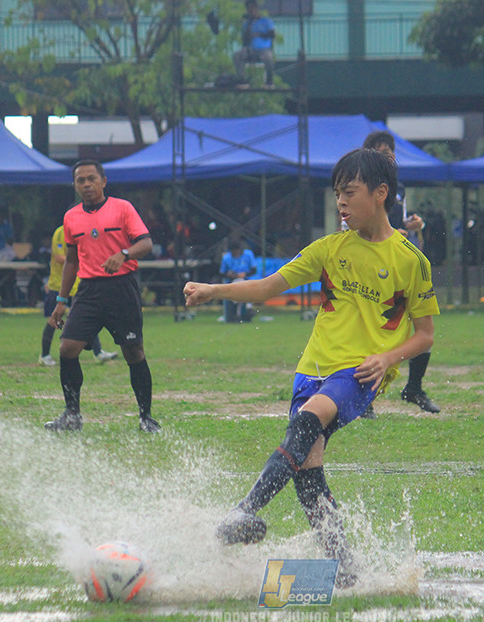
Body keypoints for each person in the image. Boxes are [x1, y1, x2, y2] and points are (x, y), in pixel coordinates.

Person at [183, 148, 439, 587]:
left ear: (380, 194)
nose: (341, 203)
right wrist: (214, 290)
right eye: (337, 194)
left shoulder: (410, 261)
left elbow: (425, 335)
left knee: (305, 424)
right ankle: (345, 570)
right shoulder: (329, 248)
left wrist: (386, 358)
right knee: (307, 470)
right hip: (311, 370)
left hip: (358, 373)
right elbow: (266, 288)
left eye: (350, 193)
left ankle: (244, 510)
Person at [45, 159, 161, 433]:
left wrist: (124, 255)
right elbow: (71, 261)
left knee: (134, 352)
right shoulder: (71, 217)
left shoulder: (123, 208)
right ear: (74, 185)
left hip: (122, 288)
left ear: (103, 181)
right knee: (67, 349)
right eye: (80, 180)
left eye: (91, 179)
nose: (86, 184)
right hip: (88, 291)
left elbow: (145, 243)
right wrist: (62, 301)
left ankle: (146, 417)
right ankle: (72, 415)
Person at [362, 130, 440, 414]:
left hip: (400, 262)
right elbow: (356, 228)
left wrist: (415, 225)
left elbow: (398, 224)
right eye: (383, 151)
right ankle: (365, 397)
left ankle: (414, 387)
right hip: (372, 266)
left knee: (423, 326)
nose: (390, 155)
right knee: (373, 332)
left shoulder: (399, 188)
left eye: (392, 150)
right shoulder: (361, 186)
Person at [39, 223, 118, 366]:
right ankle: (44, 355)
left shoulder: (83, 231)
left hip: (77, 284)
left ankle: (98, 353)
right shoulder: (60, 232)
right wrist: (84, 260)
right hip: (59, 284)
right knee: (55, 320)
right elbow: (59, 257)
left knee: (86, 318)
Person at [233, 0, 275, 86]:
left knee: (269, 57)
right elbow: (244, 39)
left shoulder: (266, 21)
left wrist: (259, 34)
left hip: (264, 49)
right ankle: (242, 79)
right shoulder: (247, 23)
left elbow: (272, 34)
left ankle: (269, 80)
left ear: (257, 9)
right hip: (250, 49)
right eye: (249, 9)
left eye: (253, 8)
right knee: (237, 55)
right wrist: (248, 26)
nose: (251, 10)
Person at [219, 240, 257, 323]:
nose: (235, 253)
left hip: (246, 280)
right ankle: (247, 307)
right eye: (233, 252)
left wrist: (245, 274)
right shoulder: (227, 258)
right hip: (231, 281)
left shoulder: (248, 255)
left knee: (243, 285)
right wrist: (229, 274)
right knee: (239, 285)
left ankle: (241, 312)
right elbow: (222, 273)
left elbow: (254, 270)